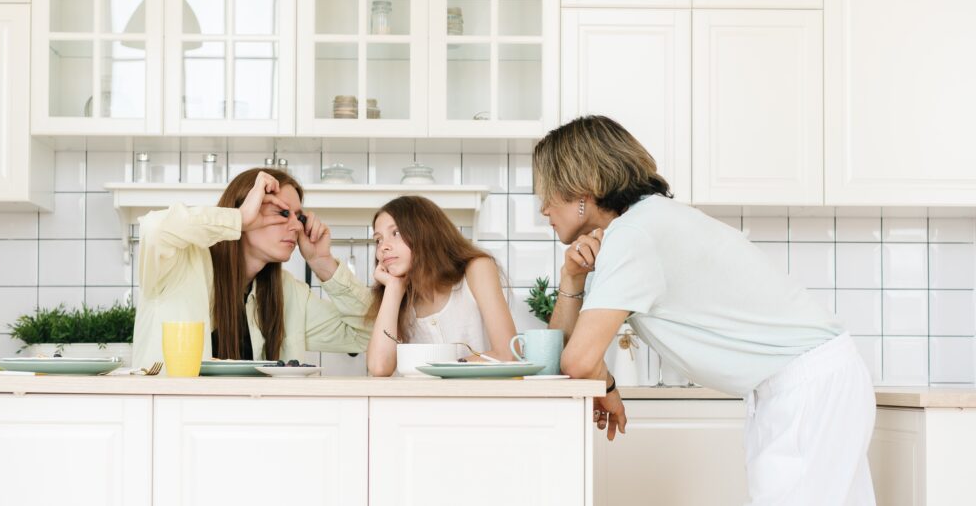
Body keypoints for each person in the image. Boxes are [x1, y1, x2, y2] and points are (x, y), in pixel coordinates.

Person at [535, 115, 875, 506]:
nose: (543, 208)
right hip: (803, 383)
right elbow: (562, 353)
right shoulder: (635, 229)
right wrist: (572, 278)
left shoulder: (634, 235)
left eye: (548, 192)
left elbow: (577, 360)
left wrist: (606, 384)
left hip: (808, 386)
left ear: (583, 190)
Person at [133, 168, 372, 368]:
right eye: (282, 212)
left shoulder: (288, 293)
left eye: (298, 218)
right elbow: (153, 228)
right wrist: (239, 218)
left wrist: (322, 262)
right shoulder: (180, 263)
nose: (296, 227)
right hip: (176, 418)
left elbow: (366, 335)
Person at [365, 195, 517, 376]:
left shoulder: (477, 269)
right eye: (378, 239)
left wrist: (444, 367)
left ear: (424, 231)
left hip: (481, 399)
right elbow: (379, 367)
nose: (383, 247)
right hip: (424, 401)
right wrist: (393, 289)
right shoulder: (400, 298)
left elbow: (508, 354)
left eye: (396, 233)